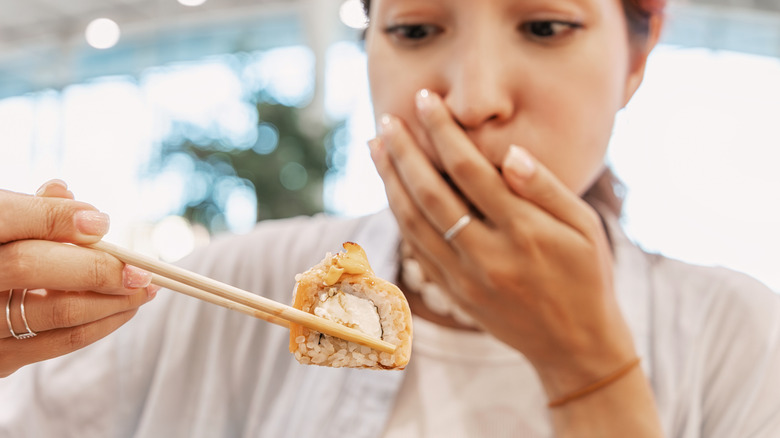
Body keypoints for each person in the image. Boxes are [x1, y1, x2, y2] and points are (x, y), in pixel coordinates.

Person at [1, 0, 779, 436]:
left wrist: (590, 374)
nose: (473, 100)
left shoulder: (738, 338)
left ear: (637, 58)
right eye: (414, 29)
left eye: (545, 26)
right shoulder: (237, 286)